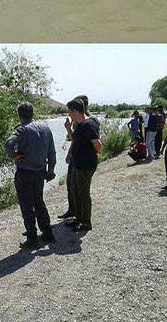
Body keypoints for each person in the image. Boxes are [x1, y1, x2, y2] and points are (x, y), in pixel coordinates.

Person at [5, 102, 56, 248]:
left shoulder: (22, 130)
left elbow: (9, 143)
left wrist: (14, 156)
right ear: (33, 113)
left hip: (25, 173)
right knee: (39, 202)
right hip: (41, 172)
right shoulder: (45, 128)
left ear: (19, 115)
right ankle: (47, 233)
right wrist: (51, 170)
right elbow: (52, 152)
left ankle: (32, 238)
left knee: (26, 206)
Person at [65, 98, 102, 232]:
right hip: (78, 164)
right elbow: (75, 141)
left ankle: (86, 223)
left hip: (86, 165)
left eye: (70, 112)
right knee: (75, 191)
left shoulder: (89, 125)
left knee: (83, 194)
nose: (69, 115)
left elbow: (98, 146)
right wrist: (69, 129)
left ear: (75, 111)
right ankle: (79, 219)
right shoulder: (80, 124)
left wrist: (90, 155)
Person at [58, 94, 91, 220]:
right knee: (70, 184)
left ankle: (81, 216)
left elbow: (86, 142)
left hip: (82, 159)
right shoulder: (78, 121)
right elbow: (73, 140)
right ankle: (73, 210)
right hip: (75, 155)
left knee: (79, 189)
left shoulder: (89, 121)